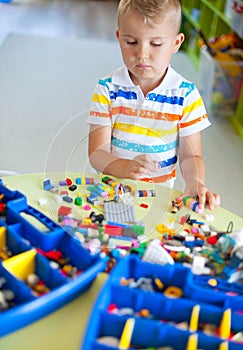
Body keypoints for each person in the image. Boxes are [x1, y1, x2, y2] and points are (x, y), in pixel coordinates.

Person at [87, 0, 220, 211]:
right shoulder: (107, 89)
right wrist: (124, 168)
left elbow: (191, 155)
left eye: (156, 44)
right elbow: (97, 153)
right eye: (131, 42)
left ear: (176, 43)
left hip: (157, 200)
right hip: (109, 195)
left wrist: (195, 182)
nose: (142, 54)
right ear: (119, 37)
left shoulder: (186, 95)